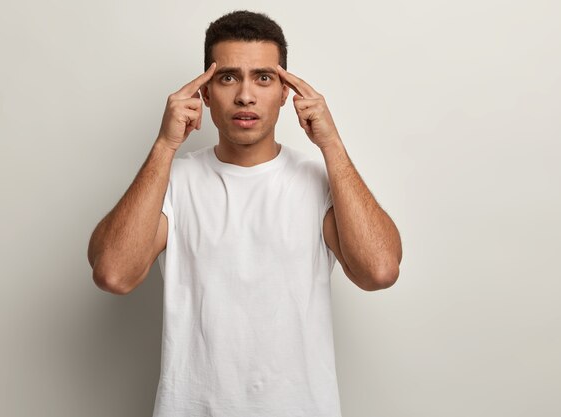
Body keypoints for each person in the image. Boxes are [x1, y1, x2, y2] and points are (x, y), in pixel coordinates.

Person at [87, 10, 402, 417]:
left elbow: (379, 271)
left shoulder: (317, 180)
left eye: (264, 78)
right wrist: (165, 146)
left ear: (287, 92)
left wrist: (332, 146)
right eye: (228, 77)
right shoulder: (174, 181)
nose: (246, 96)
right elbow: (113, 274)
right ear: (204, 91)